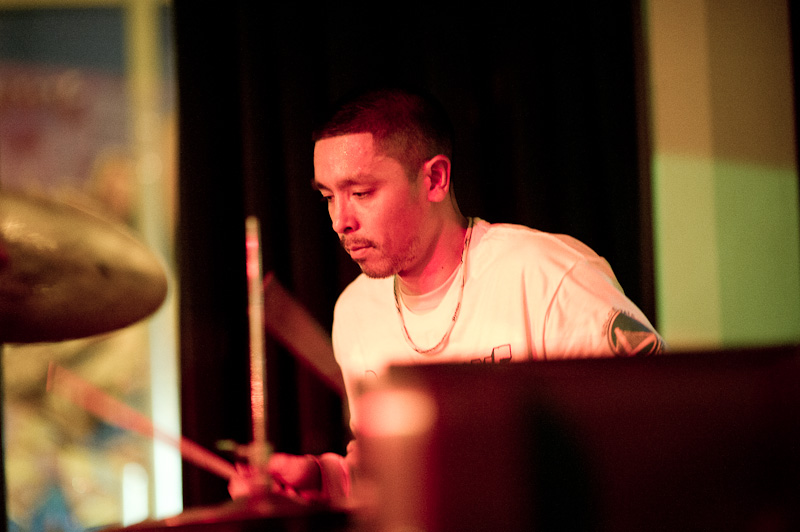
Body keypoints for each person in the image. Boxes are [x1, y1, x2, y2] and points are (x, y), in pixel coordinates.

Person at [229, 86, 664, 505]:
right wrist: (325, 479)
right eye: (328, 196)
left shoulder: (549, 278)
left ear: (434, 179)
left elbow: (656, 435)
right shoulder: (355, 311)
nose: (340, 220)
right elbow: (391, 474)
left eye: (360, 193)